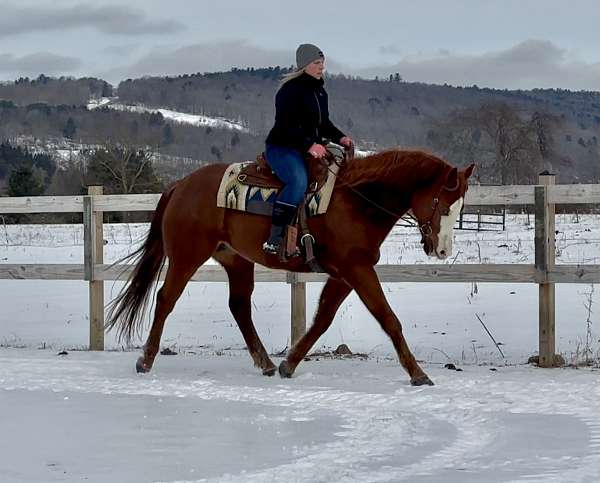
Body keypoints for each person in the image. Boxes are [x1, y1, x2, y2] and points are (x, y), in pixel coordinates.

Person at [262, 43, 354, 254]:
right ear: (304, 65)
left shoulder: (319, 92)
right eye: (316, 63)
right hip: (282, 147)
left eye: (322, 63)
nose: (321, 67)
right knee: (298, 181)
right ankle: (275, 238)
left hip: (307, 148)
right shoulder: (289, 91)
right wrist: (309, 144)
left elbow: (324, 124)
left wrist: (341, 137)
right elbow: (286, 126)